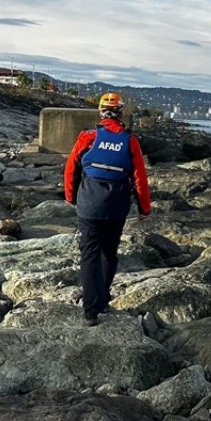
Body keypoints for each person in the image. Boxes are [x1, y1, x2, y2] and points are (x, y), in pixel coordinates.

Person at [63, 92, 151, 325]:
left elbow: (71, 168)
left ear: (101, 112)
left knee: (90, 254)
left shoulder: (88, 137)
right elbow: (140, 177)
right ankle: (102, 301)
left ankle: (90, 311)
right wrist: (144, 208)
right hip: (117, 206)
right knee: (109, 253)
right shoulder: (130, 141)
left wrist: (71, 197)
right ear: (120, 113)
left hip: (89, 203)